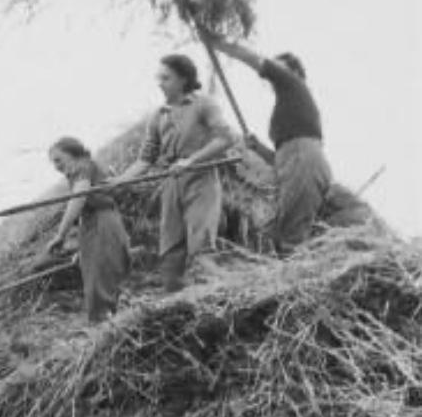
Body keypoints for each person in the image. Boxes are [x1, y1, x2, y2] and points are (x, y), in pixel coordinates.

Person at [205, 35, 331, 253]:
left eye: (278, 67)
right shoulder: (292, 106)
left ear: (294, 72)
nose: (273, 73)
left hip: (304, 161)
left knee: (290, 238)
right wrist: (259, 149)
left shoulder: (293, 83)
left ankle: (293, 281)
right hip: (298, 162)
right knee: (281, 231)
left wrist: (218, 43)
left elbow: (256, 59)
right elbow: (283, 160)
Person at [120, 54, 235, 290]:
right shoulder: (159, 115)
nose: (159, 83)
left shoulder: (203, 105)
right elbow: (145, 160)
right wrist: (120, 181)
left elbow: (226, 138)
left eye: (166, 78)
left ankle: (212, 297)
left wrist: (191, 161)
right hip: (172, 183)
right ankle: (173, 302)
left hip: (201, 179)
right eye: (158, 78)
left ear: (183, 80)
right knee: (171, 251)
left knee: (200, 246)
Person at [47, 136, 131, 323]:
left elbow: (79, 199)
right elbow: (83, 210)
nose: (56, 166)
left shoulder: (83, 167)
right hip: (94, 224)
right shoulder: (80, 170)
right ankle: (108, 323)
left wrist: (60, 235)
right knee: (96, 276)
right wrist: (82, 248)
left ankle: (106, 325)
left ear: (73, 154)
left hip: (103, 221)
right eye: (53, 163)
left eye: (58, 160)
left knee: (100, 278)